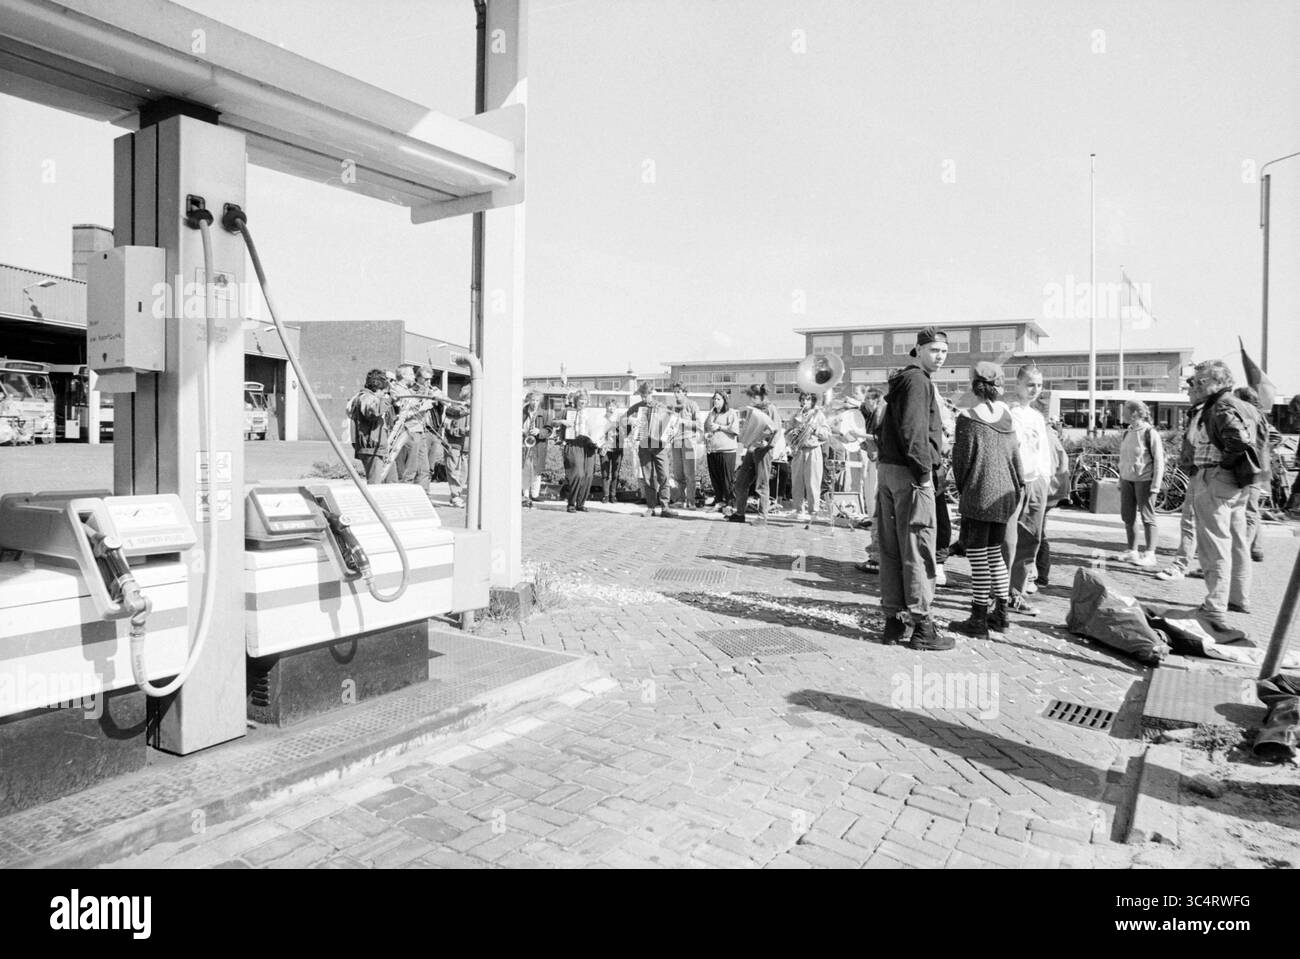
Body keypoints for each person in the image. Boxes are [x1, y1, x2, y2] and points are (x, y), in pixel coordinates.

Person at [876, 327, 947, 649]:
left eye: (944, 352)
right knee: (918, 547)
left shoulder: (903, 380)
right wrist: (924, 473)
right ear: (918, 350)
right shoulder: (918, 381)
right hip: (910, 473)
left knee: (890, 549)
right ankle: (922, 626)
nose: (940, 356)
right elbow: (913, 431)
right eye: (934, 350)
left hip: (889, 470)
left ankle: (893, 621)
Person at [949, 363, 1024, 639]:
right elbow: (1016, 456)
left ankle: (978, 620)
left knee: (979, 557)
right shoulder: (1006, 415)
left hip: (980, 493)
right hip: (1006, 493)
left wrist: (962, 490)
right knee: (995, 555)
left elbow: (962, 461)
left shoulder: (967, 417)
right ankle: (1001, 616)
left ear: (974, 384)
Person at [1187, 360, 1257, 626]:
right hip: (1240, 482)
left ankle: (1215, 606)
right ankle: (1239, 597)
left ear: (1219, 381)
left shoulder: (1220, 406)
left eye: (1201, 381)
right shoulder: (1246, 406)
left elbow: (1238, 441)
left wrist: (1222, 466)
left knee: (1214, 543)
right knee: (1238, 542)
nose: (1196, 385)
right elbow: (1259, 441)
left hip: (1217, 477)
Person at [1002, 365, 1051, 617]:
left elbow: (1043, 450)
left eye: (1039, 385)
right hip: (1015, 482)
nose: (1035, 390)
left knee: (1031, 538)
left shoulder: (1038, 417)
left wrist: (1045, 477)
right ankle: (999, 591)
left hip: (1036, 482)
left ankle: (1016, 592)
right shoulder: (1009, 413)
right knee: (1008, 539)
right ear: (1018, 384)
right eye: (1030, 384)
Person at [1116, 399, 1165, 566]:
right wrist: (1120, 478)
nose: (1122, 414)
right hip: (1127, 480)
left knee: (1147, 517)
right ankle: (1132, 550)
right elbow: (1124, 458)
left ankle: (1150, 554)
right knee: (1128, 516)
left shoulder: (1149, 433)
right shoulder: (1127, 432)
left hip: (1144, 480)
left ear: (1134, 413)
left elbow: (1159, 460)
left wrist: (1155, 486)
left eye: (1125, 411)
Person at [727, 384, 778, 524]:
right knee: (741, 482)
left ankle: (762, 516)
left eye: (755, 397)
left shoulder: (771, 408)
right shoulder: (753, 410)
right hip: (751, 450)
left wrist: (767, 443)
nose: (752, 400)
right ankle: (740, 512)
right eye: (751, 397)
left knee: (762, 484)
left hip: (763, 452)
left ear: (762, 396)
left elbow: (776, 430)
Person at [628, 381, 678, 518]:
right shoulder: (636, 408)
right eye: (642, 395)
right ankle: (650, 507)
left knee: (664, 475)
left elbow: (672, 422)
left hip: (659, 446)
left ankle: (665, 506)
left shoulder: (661, 407)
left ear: (651, 393)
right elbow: (624, 421)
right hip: (644, 445)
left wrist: (670, 431)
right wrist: (630, 421)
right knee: (648, 477)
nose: (644, 398)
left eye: (646, 395)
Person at [1032, 417, 1072, 589]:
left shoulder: (1044, 435)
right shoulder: (1050, 434)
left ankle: (1040, 575)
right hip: (1052, 489)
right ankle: (1039, 574)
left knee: (1037, 532)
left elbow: (1053, 465)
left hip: (1047, 490)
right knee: (1037, 531)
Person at [1233, 386, 1271, 563]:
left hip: (1254, 468)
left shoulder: (1253, 416)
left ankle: (1243, 552)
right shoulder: (1254, 415)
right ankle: (1256, 548)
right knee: (1251, 510)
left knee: (1249, 511)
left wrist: (1259, 450)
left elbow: (1270, 437)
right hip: (1256, 467)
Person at [786, 390, 831, 522]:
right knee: (797, 481)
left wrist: (815, 429)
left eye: (807, 399)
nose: (804, 402)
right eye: (802, 399)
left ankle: (814, 511)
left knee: (813, 481)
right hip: (798, 450)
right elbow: (787, 432)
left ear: (812, 401)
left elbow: (827, 433)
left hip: (813, 449)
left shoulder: (818, 415)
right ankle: (798, 509)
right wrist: (793, 433)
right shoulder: (796, 415)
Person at [389, 364, 432, 492]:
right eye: (412, 374)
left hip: (418, 429)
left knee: (423, 467)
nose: (414, 376)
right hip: (409, 430)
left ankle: (423, 495)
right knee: (409, 469)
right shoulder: (397, 390)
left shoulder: (407, 390)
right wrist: (423, 407)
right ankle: (405, 495)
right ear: (403, 375)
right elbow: (402, 414)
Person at [346, 369, 393, 482]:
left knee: (388, 481)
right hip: (371, 447)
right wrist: (387, 400)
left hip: (375, 447)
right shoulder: (366, 397)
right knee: (374, 483)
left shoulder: (369, 397)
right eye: (384, 392)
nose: (384, 395)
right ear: (377, 389)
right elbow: (374, 411)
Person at [560, 388, 599, 512]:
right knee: (577, 474)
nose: (583, 402)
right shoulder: (568, 411)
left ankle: (580, 503)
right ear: (576, 400)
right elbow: (553, 422)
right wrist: (562, 421)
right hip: (574, 443)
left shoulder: (591, 413)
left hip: (589, 445)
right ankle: (571, 503)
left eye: (585, 400)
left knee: (588, 476)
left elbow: (598, 428)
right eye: (580, 399)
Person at [703, 390, 740, 510]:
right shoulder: (711, 413)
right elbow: (706, 427)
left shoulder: (731, 413)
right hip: (712, 450)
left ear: (724, 401)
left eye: (718, 399)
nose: (716, 401)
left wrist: (719, 427)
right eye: (714, 399)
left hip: (726, 451)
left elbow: (735, 430)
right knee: (715, 477)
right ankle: (719, 500)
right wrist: (707, 433)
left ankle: (730, 502)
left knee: (727, 478)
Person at [667, 383, 701, 510]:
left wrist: (683, 422)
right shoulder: (673, 407)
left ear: (685, 392)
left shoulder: (692, 404)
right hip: (676, 441)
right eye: (674, 392)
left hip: (688, 440)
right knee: (678, 473)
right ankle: (680, 499)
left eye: (678, 392)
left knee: (689, 473)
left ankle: (691, 501)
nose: (676, 394)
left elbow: (698, 424)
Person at [522, 391, 552, 507]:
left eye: (537, 400)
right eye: (532, 400)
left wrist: (539, 431)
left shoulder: (545, 414)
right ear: (529, 400)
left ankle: (535, 494)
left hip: (538, 445)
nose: (534, 403)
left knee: (536, 471)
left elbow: (549, 430)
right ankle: (525, 494)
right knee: (525, 469)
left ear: (540, 402)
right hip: (524, 443)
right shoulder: (522, 412)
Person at [443, 382, 470, 508]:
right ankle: (455, 495)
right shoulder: (455, 409)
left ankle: (457, 494)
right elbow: (449, 427)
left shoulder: (476, 410)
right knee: (453, 470)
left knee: (464, 471)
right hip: (454, 444)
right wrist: (464, 431)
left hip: (467, 446)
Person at [598, 397, 625, 503]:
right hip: (605, 448)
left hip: (617, 449)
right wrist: (600, 445)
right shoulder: (602, 418)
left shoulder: (620, 419)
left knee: (615, 473)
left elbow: (626, 433)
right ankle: (605, 495)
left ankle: (613, 495)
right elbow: (598, 433)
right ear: (606, 407)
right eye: (609, 406)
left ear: (616, 407)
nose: (611, 408)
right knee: (605, 473)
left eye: (613, 406)